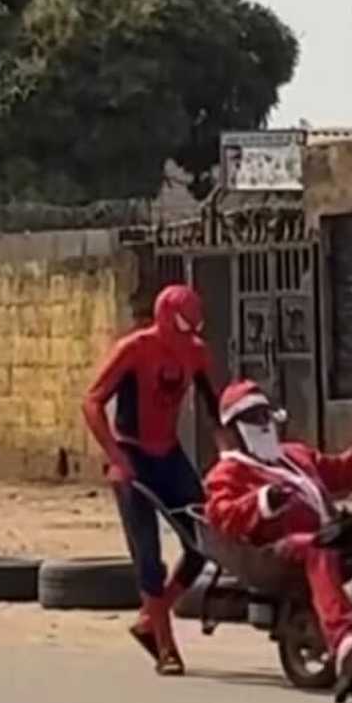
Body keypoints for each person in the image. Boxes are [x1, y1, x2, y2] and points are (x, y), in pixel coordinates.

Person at [203, 379, 352, 682]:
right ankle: (342, 638)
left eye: (265, 415)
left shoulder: (295, 455)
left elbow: (344, 473)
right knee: (316, 548)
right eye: (253, 418)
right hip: (274, 551)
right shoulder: (228, 472)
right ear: (234, 430)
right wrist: (263, 501)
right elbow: (222, 515)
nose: (263, 424)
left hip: (328, 536)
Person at [82, 284, 220, 675]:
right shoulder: (134, 349)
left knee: (204, 541)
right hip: (133, 456)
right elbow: (91, 402)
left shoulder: (196, 352)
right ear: (165, 318)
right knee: (148, 555)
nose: (187, 337)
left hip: (169, 455)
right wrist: (116, 457)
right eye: (182, 327)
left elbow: (215, 410)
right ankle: (165, 646)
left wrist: (233, 455)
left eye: (194, 328)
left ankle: (150, 618)